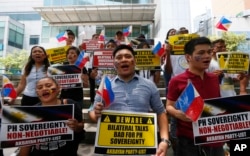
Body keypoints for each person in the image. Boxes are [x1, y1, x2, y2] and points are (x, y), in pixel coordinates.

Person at [89, 44, 170, 156]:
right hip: (111, 150)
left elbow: (161, 112)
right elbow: (92, 114)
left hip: (142, 149)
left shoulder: (149, 85)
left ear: (134, 61)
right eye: (119, 57)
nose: (123, 60)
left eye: (128, 56)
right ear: (114, 63)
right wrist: (96, 113)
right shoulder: (105, 87)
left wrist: (164, 140)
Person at [166, 37, 224, 156]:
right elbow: (169, 106)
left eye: (209, 52)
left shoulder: (214, 78)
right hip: (188, 142)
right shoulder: (177, 81)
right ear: (188, 57)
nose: (207, 56)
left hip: (215, 139)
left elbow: (218, 106)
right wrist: (178, 114)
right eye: (201, 53)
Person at [18, 77, 84, 156]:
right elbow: (26, 145)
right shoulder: (31, 113)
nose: (44, 89)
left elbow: (81, 125)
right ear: (37, 92)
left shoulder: (70, 104)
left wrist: (76, 126)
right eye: (40, 87)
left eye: (48, 85)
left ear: (58, 88)